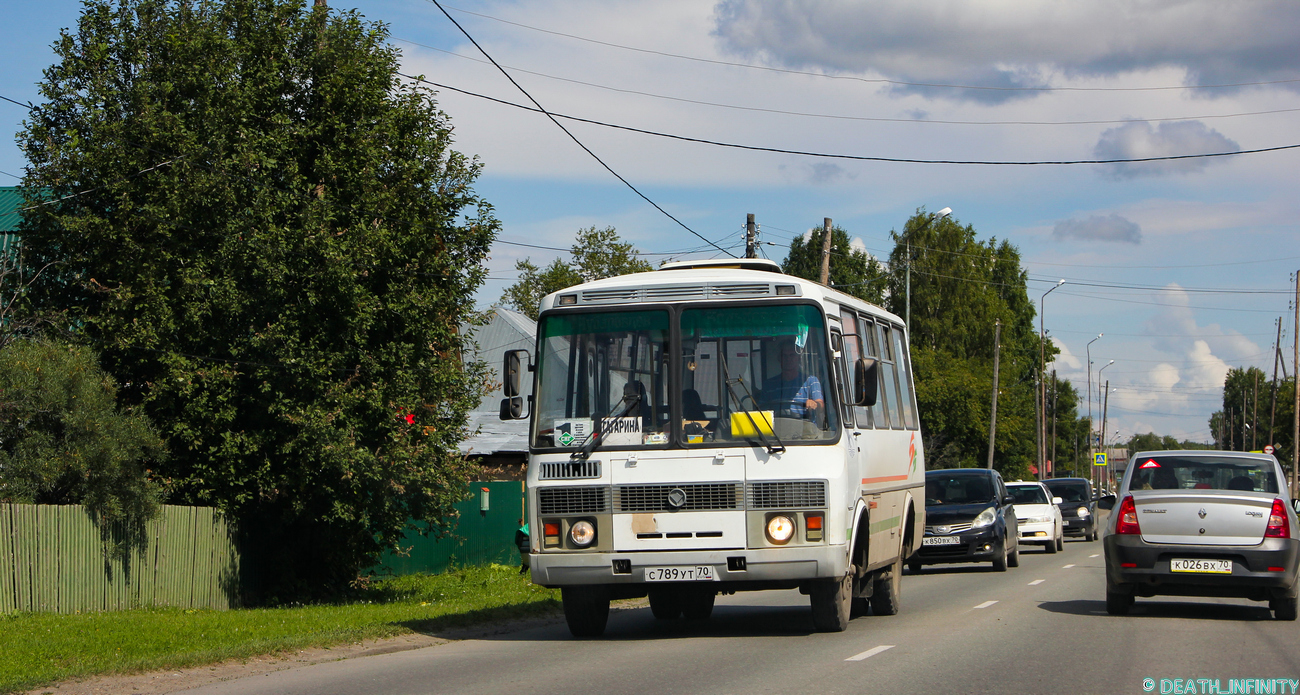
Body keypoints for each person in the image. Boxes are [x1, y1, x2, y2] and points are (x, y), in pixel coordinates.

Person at [761, 340, 824, 422]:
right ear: (779, 359)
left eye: (792, 355)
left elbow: (820, 404)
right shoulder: (769, 385)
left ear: (799, 358)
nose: (788, 359)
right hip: (777, 430)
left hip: (806, 431)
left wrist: (814, 404)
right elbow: (761, 410)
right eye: (784, 356)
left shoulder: (811, 381)